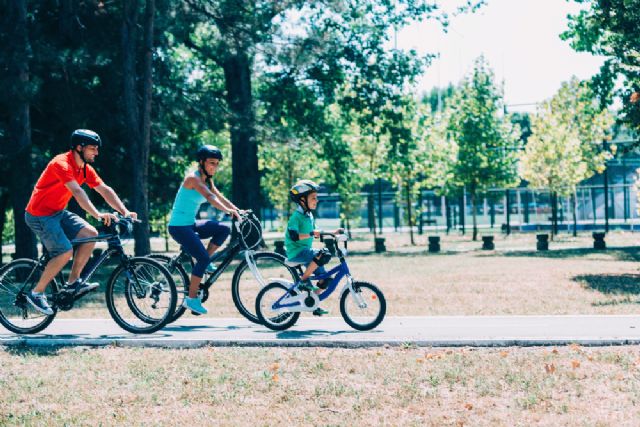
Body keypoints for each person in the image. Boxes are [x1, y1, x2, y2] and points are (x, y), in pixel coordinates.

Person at [24, 129, 137, 315]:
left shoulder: (84, 169)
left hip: (57, 212)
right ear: (79, 147)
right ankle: (36, 293)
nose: (96, 153)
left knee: (90, 234)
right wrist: (97, 214)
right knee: (64, 251)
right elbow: (77, 192)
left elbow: (104, 189)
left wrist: (124, 211)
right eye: (93, 148)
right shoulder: (61, 164)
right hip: (39, 214)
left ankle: (72, 283)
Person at [168, 145, 241, 315]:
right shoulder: (193, 179)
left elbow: (218, 195)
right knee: (201, 259)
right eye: (211, 163)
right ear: (201, 162)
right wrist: (227, 211)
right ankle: (192, 299)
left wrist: (237, 210)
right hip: (179, 227)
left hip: (190, 224)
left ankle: (206, 262)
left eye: (216, 164)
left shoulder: (207, 179)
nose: (214, 167)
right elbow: (210, 197)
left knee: (223, 229)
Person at [285, 180, 343, 316]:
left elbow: (316, 231)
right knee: (322, 254)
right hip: (297, 252)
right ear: (302, 200)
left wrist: (333, 233)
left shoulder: (309, 216)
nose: (316, 200)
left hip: (306, 253)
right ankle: (303, 281)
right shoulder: (296, 217)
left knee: (326, 280)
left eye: (316, 197)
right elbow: (294, 236)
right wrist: (311, 234)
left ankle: (312, 302)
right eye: (313, 198)